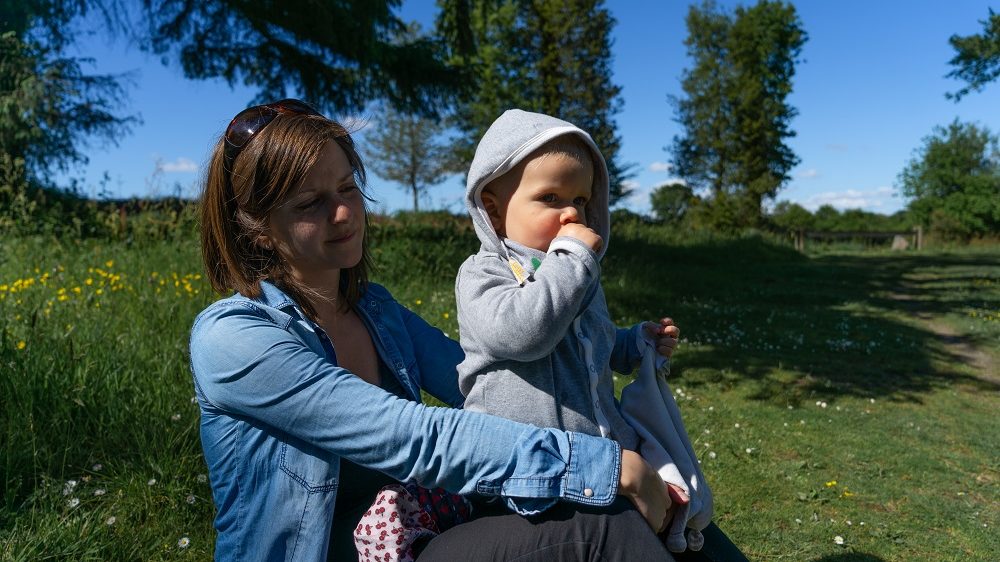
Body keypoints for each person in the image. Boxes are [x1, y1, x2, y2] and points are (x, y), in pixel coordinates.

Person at [190, 98, 680, 561]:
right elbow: (415, 438)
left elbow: (491, 385)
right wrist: (606, 468)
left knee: (629, 514)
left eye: (346, 188)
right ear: (255, 224)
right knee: (600, 528)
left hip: (414, 536)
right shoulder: (233, 339)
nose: (343, 213)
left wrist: (610, 347)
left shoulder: (376, 311)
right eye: (309, 203)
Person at [453, 109, 742, 559]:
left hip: (599, 464)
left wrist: (635, 342)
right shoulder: (483, 273)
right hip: (525, 477)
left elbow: (596, 343)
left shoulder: (577, 273)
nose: (572, 212)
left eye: (583, 200)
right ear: (492, 207)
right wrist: (570, 261)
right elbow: (523, 334)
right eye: (550, 197)